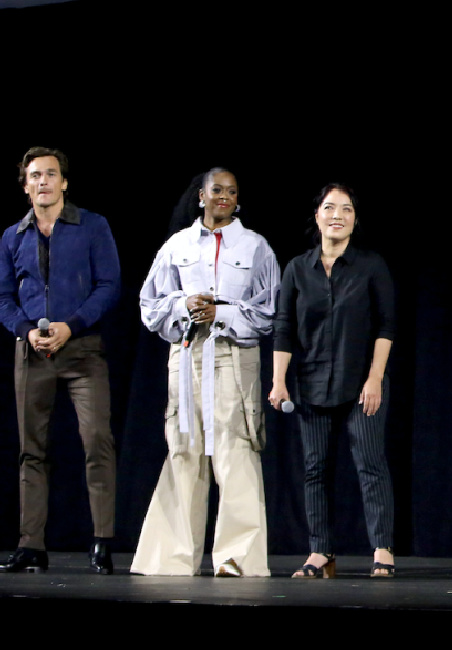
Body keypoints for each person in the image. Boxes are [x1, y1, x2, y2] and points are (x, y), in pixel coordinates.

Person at [132, 168, 279, 577]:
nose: (225, 197)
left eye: (232, 192)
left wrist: (223, 312)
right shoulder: (176, 246)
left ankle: (237, 559)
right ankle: (173, 558)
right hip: (187, 353)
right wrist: (184, 305)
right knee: (184, 449)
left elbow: (269, 310)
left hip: (234, 355)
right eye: (218, 190)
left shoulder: (255, 247)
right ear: (201, 195)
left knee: (237, 450)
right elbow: (150, 305)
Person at [0, 146, 121, 574]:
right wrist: (27, 330)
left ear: (64, 182)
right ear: (25, 186)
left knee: (97, 442)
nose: (42, 181)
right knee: (32, 450)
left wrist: (72, 324)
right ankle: (31, 545)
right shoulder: (14, 235)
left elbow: (109, 285)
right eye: (34, 176)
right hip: (33, 351)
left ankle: (101, 541)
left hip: (82, 350)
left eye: (50, 174)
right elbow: (1, 297)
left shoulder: (92, 226)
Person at [270, 184, 397, 579]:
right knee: (315, 469)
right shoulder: (297, 269)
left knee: (370, 464)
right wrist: (278, 381)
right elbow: (284, 327)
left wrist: (375, 378)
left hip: (362, 384)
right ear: (317, 217)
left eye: (346, 209)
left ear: (355, 220)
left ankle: (382, 549)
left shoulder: (370, 265)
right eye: (329, 207)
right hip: (311, 383)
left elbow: (386, 324)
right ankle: (321, 552)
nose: (337, 215)